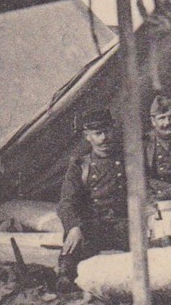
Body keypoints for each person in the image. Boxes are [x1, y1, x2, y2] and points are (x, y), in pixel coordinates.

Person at [56, 110, 131, 287]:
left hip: (125, 224)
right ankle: (65, 277)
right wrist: (73, 226)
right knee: (71, 253)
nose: (104, 138)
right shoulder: (80, 166)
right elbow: (66, 202)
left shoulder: (129, 160)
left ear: (113, 130)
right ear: (87, 136)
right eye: (98, 133)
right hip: (93, 226)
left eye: (107, 131)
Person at [143, 92, 171, 200]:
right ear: (153, 121)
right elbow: (142, 179)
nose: (167, 123)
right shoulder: (146, 144)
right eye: (162, 118)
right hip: (157, 195)